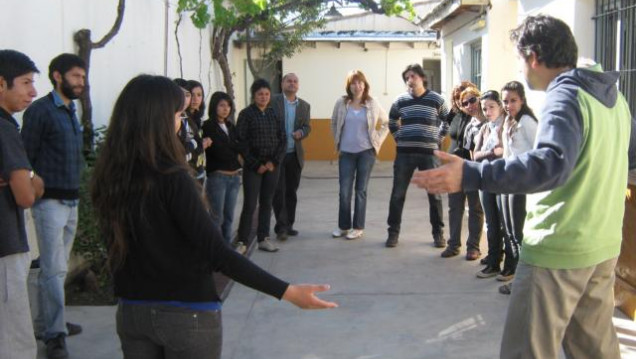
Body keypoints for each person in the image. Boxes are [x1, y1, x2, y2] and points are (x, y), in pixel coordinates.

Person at [412, 15, 636, 358]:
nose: (520, 69)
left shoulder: (566, 95)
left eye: (519, 59)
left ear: (532, 57)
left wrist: (473, 174)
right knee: (595, 350)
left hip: (557, 249)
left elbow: (550, 164)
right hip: (602, 246)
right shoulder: (614, 99)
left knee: (527, 350)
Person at [90, 74, 337, 359]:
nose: (181, 123)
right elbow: (217, 252)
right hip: (186, 316)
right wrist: (288, 292)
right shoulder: (173, 178)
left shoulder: (109, 176)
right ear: (157, 119)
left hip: (132, 312)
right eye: (178, 114)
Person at [21, 53, 86, 359]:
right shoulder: (41, 111)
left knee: (53, 270)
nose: (81, 82)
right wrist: (33, 185)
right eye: (76, 76)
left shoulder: (71, 110)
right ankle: (54, 337)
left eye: (83, 77)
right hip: (49, 204)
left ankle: (48, 323)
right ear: (57, 76)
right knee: (53, 270)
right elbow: (25, 156)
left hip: (71, 200)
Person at [0, 49, 44, 359]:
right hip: (5, 244)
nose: (33, 91)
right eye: (26, 82)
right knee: (14, 341)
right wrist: (33, 178)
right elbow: (27, 195)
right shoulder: (4, 129)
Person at [385, 64, 449, 248]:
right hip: (404, 154)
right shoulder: (400, 100)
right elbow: (391, 121)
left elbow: (448, 119)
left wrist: (438, 138)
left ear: (422, 78)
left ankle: (438, 234)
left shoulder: (436, 99)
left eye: (412, 76)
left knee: (434, 195)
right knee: (398, 194)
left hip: (429, 155)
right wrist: (399, 138)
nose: (409, 80)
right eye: (406, 78)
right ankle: (393, 233)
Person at [330, 70, 389, 240]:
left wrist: (376, 140)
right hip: (346, 153)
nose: (357, 86)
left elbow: (386, 123)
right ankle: (343, 226)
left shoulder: (373, 103)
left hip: (366, 153)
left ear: (365, 84)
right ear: (349, 86)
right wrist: (338, 141)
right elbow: (333, 122)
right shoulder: (341, 103)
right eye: (354, 83)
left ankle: (357, 227)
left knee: (361, 190)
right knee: (344, 191)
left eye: (360, 82)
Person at [236, 79, 286, 252]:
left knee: (267, 202)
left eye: (266, 94)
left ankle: (263, 238)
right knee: (250, 204)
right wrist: (256, 164)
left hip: (272, 167)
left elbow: (283, 140)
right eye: (260, 94)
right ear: (254, 96)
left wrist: (273, 162)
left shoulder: (274, 114)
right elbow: (241, 142)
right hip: (253, 167)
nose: (264, 97)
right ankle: (242, 241)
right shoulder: (246, 114)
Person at [498, 81, 538, 293]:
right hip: (507, 181)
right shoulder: (509, 121)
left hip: (521, 184)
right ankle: (519, 278)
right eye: (505, 101)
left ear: (522, 100)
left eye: (513, 100)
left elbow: (539, 153)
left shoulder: (528, 122)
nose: (509, 105)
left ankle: (526, 283)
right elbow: (507, 153)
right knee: (511, 233)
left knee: (520, 233)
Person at [441, 81, 484, 260]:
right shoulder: (455, 115)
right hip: (453, 167)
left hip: (471, 167)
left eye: (470, 99)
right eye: (460, 99)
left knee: (474, 207)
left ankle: (473, 247)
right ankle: (453, 244)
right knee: (455, 207)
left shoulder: (480, 117)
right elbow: (444, 132)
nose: (466, 103)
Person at [202, 91, 244, 251]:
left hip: (234, 178)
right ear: (214, 106)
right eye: (221, 105)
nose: (225, 109)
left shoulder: (230, 126)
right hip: (218, 178)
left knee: (229, 217)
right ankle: (215, 250)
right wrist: (233, 149)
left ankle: (226, 250)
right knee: (216, 217)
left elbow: (240, 145)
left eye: (228, 105)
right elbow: (219, 151)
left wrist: (233, 148)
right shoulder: (208, 126)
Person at [271, 73, 311, 240]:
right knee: (278, 191)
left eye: (295, 81)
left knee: (291, 192)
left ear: (298, 85)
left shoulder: (304, 106)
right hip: (276, 154)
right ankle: (281, 227)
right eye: (289, 81)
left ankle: (289, 224)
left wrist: (301, 132)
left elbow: (307, 127)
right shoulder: (273, 101)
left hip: (294, 154)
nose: (292, 84)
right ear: (282, 84)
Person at [472, 90, 506, 279]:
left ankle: (506, 261)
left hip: (503, 180)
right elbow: (475, 154)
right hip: (485, 178)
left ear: (500, 106)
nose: (487, 111)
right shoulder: (486, 128)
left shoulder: (508, 125)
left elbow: (505, 152)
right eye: (484, 108)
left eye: (491, 107)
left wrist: (492, 153)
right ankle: (493, 258)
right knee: (491, 221)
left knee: (505, 223)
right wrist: (492, 152)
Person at [185, 80, 210, 184]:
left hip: (199, 170)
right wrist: (201, 144)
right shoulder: (182, 119)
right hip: (187, 173)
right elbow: (184, 146)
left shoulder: (198, 119)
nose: (195, 99)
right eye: (192, 95)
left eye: (199, 95)